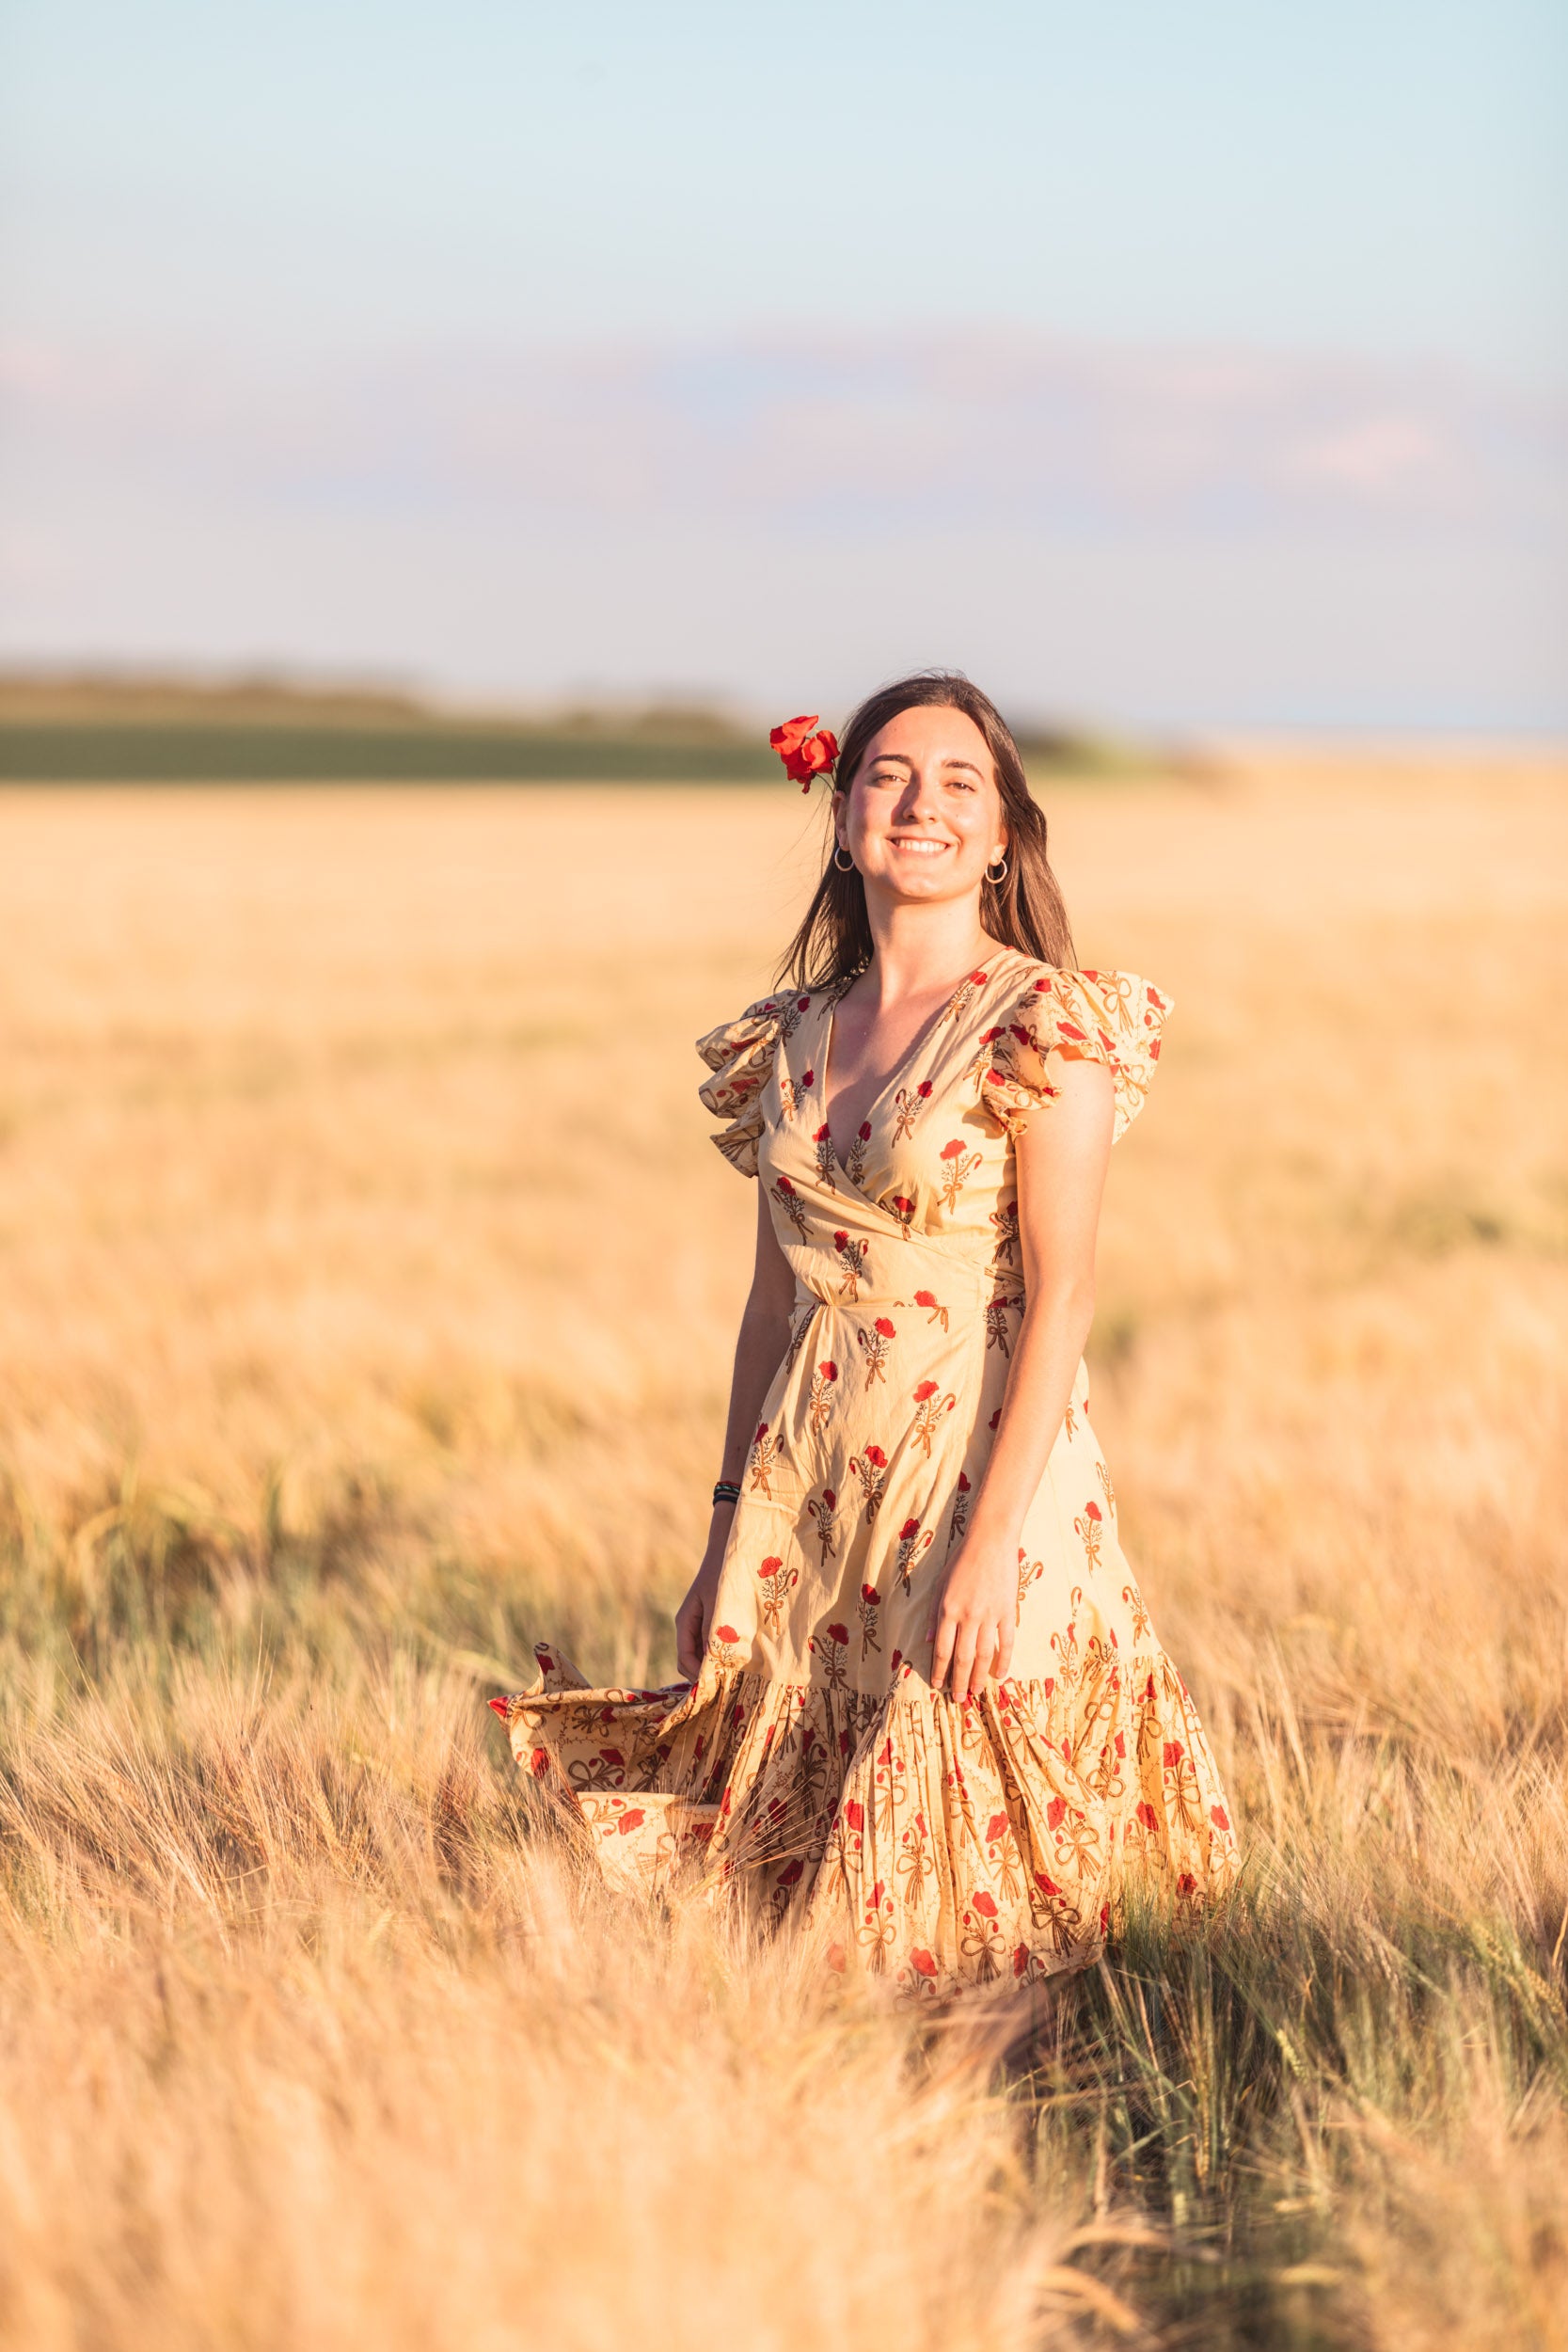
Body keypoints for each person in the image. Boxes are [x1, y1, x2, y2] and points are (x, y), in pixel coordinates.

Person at [491, 671, 1238, 1994]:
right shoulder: (791, 1036)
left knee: (985, 1854)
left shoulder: (1043, 1024)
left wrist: (995, 1544)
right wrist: (727, 1526)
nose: (923, 806)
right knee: (815, 1889)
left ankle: (1043, 2128)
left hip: (974, 1474)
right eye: (891, 777)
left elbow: (1063, 1294)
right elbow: (770, 1305)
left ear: (1006, 834)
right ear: (842, 819)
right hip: (818, 1484)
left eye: (962, 784)